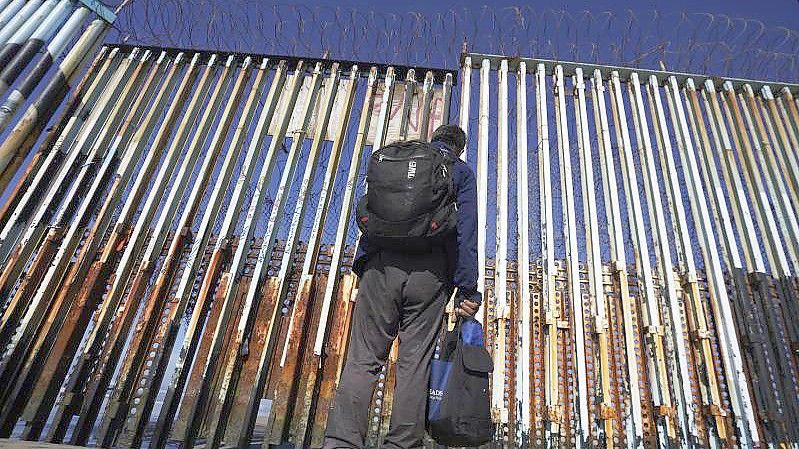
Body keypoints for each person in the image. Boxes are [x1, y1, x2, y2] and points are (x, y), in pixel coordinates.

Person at [323, 124, 481, 449]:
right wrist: (467, 288)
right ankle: (402, 444)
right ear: (460, 147)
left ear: (435, 138)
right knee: (414, 362)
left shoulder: (401, 162)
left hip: (380, 267)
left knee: (363, 358)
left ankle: (340, 442)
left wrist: (364, 262)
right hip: (431, 275)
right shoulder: (460, 171)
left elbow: (371, 211)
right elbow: (466, 231)